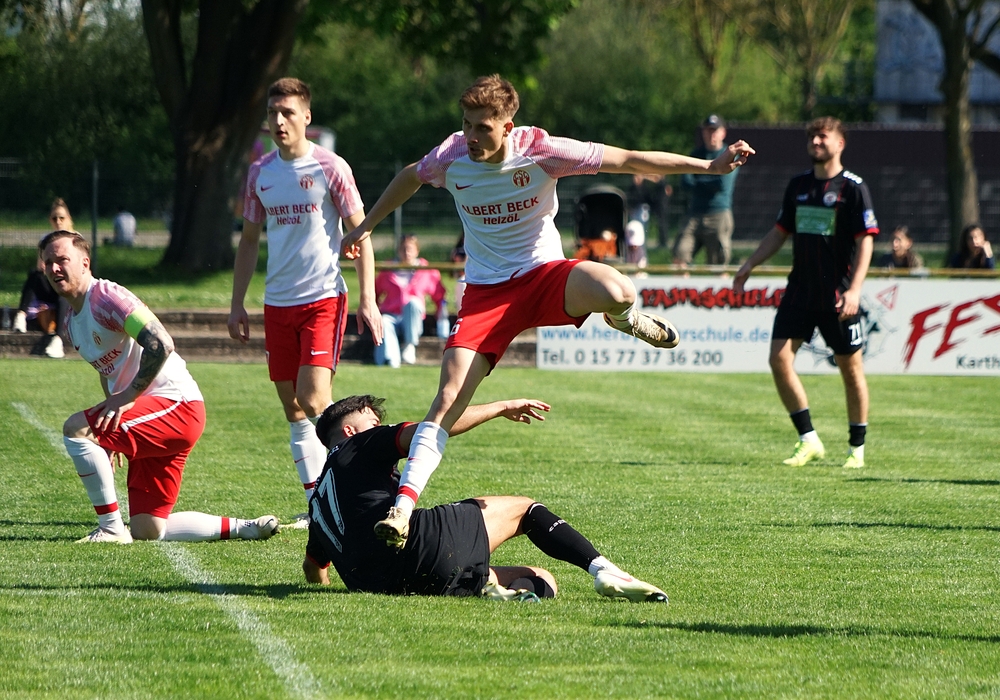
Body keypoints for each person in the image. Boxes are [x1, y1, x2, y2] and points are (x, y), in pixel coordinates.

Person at [339, 74, 754, 544]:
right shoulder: (451, 154)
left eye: (482, 127)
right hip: (487, 295)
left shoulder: (541, 149)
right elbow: (410, 176)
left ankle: (625, 320)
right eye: (466, 124)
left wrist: (709, 166)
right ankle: (402, 510)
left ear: (508, 126)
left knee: (619, 289)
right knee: (447, 400)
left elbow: (627, 159)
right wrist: (366, 227)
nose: (471, 136)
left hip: (544, 277)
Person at [301, 394, 669, 604]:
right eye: (373, 421)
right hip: (420, 546)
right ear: (349, 430)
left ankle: (496, 591)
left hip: (386, 584)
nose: (380, 427)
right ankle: (604, 571)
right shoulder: (359, 443)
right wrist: (499, 408)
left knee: (543, 578)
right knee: (524, 509)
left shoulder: (317, 502)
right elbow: (432, 429)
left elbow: (314, 569)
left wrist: (336, 590)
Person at [40, 230, 279, 543]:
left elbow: (161, 343)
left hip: (177, 406)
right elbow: (107, 370)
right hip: (152, 411)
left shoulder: (107, 297)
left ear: (85, 262)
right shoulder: (72, 321)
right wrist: (111, 423)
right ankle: (245, 527)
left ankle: (110, 529)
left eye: (62, 259)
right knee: (148, 528)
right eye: (48, 262)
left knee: (75, 429)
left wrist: (125, 399)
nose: (54, 268)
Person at [228, 77, 381, 526]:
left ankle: (361, 485)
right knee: (294, 408)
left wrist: (368, 299)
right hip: (277, 304)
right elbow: (249, 241)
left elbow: (361, 234)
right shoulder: (259, 173)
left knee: (315, 399)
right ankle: (319, 506)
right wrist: (237, 303)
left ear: (306, 117)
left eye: (288, 112)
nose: (278, 121)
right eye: (272, 113)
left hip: (322, 298)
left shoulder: (331, 167)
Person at [733, 117, 878, 470]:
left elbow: (866, 241)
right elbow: (780, 232)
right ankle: (809, 439)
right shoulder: (798, 185)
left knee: (851, 370)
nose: (815, 141)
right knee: (779, 359)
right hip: (799, 290)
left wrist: (855, 290)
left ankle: (856, 449)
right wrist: (750, 263)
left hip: (838, 295)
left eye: (822, 136)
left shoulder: (854, 187)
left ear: (840, 143)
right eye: (812, 136)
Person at [374, 234, 449, 368]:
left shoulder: (426, 270)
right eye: (403, 249)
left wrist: (441, 317)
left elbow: (439, 296)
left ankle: (410, 346)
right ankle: (391, 360)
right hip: (392, 315)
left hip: (413, 318)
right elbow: (375, 292)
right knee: (384, 321)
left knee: (413, 303)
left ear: (417, 251)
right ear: (398, 250)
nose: (406, 252)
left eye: (409, 249)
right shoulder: (388, 269)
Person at [673, 115, 739, 267]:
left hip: (718, 213)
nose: (711, 134)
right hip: (695, 213)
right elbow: (685, 182)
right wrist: (709, 180)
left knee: (717, 264)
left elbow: (721, 184)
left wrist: (698, 180)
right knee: (680, 254)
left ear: (723, 132)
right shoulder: (696, 154)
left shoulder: (728, 155)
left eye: (714, 130)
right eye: (708, 130)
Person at [12, 198, 74, 358]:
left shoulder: (75, 239)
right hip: (51, 283)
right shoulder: (46, 240)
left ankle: (58, 341)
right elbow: (40, 266)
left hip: (68, 288)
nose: (58, 221)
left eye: (62, 218)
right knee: (34, 275)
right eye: (54, 218)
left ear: (69, 219)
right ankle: (21, 315)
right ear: (50, 220)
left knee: (64, 293)